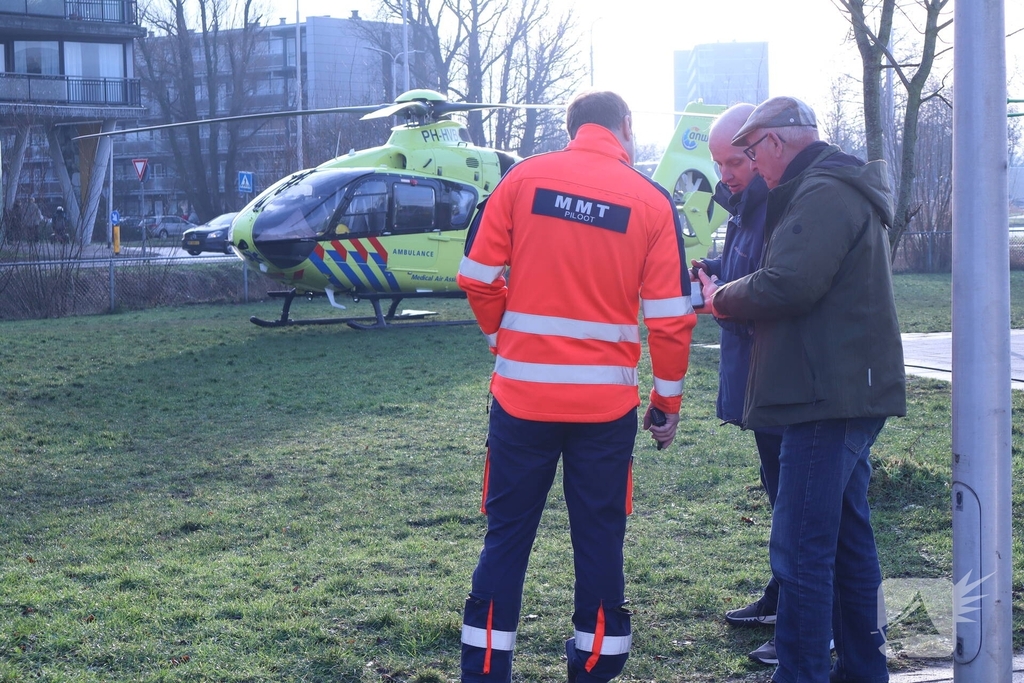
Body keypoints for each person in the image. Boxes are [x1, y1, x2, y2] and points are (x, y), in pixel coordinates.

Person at [456, 90, 696, 683]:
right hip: (605, 410)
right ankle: (594, 667)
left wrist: (501, 340)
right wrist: (667, 401)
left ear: (571, 128)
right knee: (599, 543)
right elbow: (669, 318)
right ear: (627, 127)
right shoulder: (650, 201)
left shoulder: (522, 181)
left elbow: (478, 279)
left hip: (521, 401)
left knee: (506, 539)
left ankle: (485, 669)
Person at [699, 96, 906, 683]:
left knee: (801, 549)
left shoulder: (822, 193)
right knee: (844, 542)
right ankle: (863, 669)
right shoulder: (828, 188)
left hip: (825, 398)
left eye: (748, 152)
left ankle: (802, 672)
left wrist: (721, 297)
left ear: (775, 143)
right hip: (837, 390)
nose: (748, 166)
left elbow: (790, 283)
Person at [691, 103, 782, 666]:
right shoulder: (748, 206)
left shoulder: (777, 203)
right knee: (782, 499)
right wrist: (716, 271)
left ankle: (809, 619)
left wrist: (721, 295)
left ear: (760, 149)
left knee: (803, 511)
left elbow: (775, 287)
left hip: (781, 378)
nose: (724, 173)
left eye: (733, 160)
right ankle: (784, 597)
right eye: (717, 162)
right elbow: (750, 270)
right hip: (760, 377)